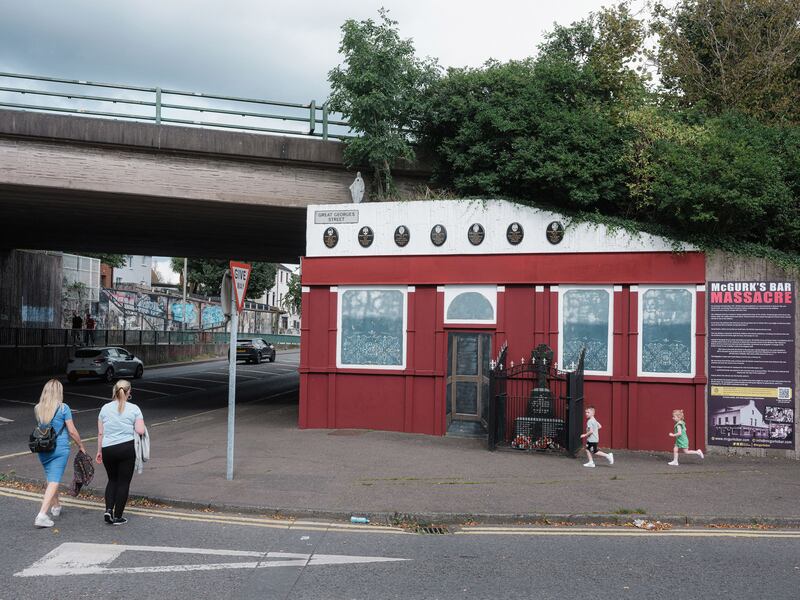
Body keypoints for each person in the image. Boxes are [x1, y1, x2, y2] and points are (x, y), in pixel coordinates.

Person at [33, 379, 86, 528]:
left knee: (51, 478)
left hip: (43, 448)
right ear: (59, 392)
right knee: (54, 480)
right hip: (59, 449)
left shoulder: (38, 408)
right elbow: (72, 431)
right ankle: (42, 514)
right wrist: (81, 445)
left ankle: (56, 507)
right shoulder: (63, 408)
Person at [96, 380, 145, 525]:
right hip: (126, 448)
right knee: (123, 483)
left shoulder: (105, 408)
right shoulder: (134, 409)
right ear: (129, 392)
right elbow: (140, 430)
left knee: (112, 480)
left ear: (115, 391)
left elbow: (100, 433)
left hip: (108, 449)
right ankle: (117, 517)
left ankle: (108, 510)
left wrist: (99, 451)